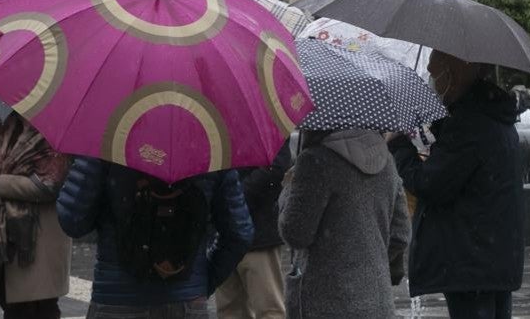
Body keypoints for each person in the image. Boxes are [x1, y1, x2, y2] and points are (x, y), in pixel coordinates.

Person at [390, 51, 524, 319]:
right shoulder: (492, 114)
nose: (431, 77)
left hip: (470, 262)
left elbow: (431, 184)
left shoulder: (469, 124)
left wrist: (398, 146)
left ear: (454, 73)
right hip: (491, 257)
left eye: (435, 70)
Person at [57, 158, 253, 318]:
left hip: (117, 298)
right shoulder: (210, 150)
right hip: (187, 302)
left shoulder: (108, 139)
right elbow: (239, 234)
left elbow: (72, 221)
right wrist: (201, 282)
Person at [278, 130, 410, 319]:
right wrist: (369, 266)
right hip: (377, 301)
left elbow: (296, 233)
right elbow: (401, 234)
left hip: (324, 303)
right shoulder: (386, 160)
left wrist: (289, 189)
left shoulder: (315, 161)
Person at [0, 113, 72, 319]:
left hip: (38, 240)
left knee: (37, 308)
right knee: (12, 303)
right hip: (9, 235)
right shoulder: (12, 124)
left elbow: (47, 185)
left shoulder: (53, 131)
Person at [214, 145, 293, 319]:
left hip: (257, 233)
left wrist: (235, 197)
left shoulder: (267, 120)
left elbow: (276, 168)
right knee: (230, 310)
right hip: (225, 235)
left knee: (268, 309)